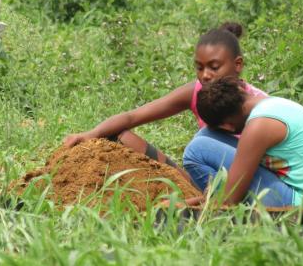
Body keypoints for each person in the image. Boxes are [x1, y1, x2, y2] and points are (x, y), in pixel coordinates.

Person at [63, 22, 265, 177]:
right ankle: (192, 191)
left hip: (248, 179)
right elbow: (133, 116)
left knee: (200, 146)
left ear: (237, 65)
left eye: (214, 67)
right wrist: (91, 133)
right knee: (120, 137)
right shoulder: (195, 92)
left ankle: (208, 199)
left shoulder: (257, 104)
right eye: (199, 67)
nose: (205, 75)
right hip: (205, 178)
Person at [191, 76, 303, 223]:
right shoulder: (272, 104)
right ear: (241, 90)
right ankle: (215, 201)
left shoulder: (257, 127)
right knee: (207, 135)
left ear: (227, 126)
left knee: (196, 150)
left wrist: (189, 204)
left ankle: (224, 222)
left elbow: (230, 200)